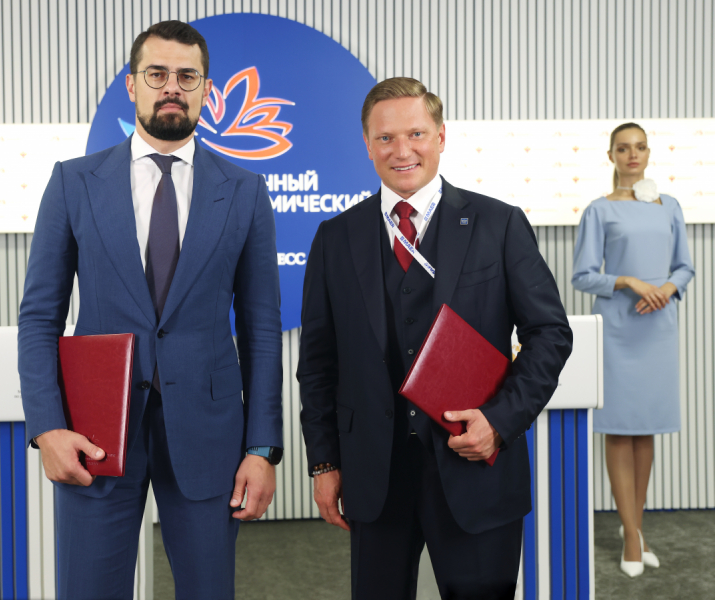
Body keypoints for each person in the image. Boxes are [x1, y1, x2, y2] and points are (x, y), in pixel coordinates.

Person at [18, 20, 283, 600]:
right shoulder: (73, 183)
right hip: (94, 430)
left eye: (187, 77)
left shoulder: (244, 190)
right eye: (157, 74)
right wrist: (46, 427)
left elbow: (262, 330)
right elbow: (39, 317)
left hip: (210, 432)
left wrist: (262, 448)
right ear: (132, 84)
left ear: (206, 90)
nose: (172, 88)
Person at [297, 77, 573, 599]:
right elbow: (317, 364)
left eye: (416, 134)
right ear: (367, 144)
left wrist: (500, 421)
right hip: (375, 477)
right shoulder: (335, 237)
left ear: (441, 137)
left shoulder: (499, 224)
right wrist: (325, 462)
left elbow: (550, 335)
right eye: (385, 138)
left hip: (476, 470)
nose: (402, 151)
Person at [572, 122, 694, 578]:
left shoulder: (670, 206)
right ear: (611, 156)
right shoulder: (599, 210)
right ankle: (630, 535)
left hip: (658, 326)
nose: (632, 155)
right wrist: (628, 281)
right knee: (620, 430)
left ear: (648, 152)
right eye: (623, 148)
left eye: (640, 147)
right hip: (619, 330)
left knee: (645, 431)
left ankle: (635, 528)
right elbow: (583, 276)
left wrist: (666, 289)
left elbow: (684, 267)